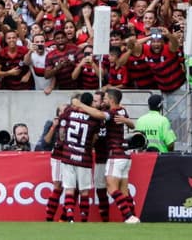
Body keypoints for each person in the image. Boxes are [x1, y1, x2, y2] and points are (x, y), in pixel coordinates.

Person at [72, 88, 141, 223]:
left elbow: (100, 115)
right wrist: (127, 121)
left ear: (111, 100)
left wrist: (80, 105)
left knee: (111, 187)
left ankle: (129, 217)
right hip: (125, 155)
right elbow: (132, 125)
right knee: (123, 191)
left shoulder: (113, 113)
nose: (103, 101)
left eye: (105, 99)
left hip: (115, 155)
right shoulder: (122, 110)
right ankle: (133, 216)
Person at [57, 92, 100, 223]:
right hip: (84, 157)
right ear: (91, 103)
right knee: (84, 191)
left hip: (68, 155)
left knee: (69, 189)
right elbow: (95, 139)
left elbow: (62, 133)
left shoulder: (69, 112)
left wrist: (67, 143)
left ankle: (69, 219)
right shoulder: (94, 118)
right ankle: (83, 220)